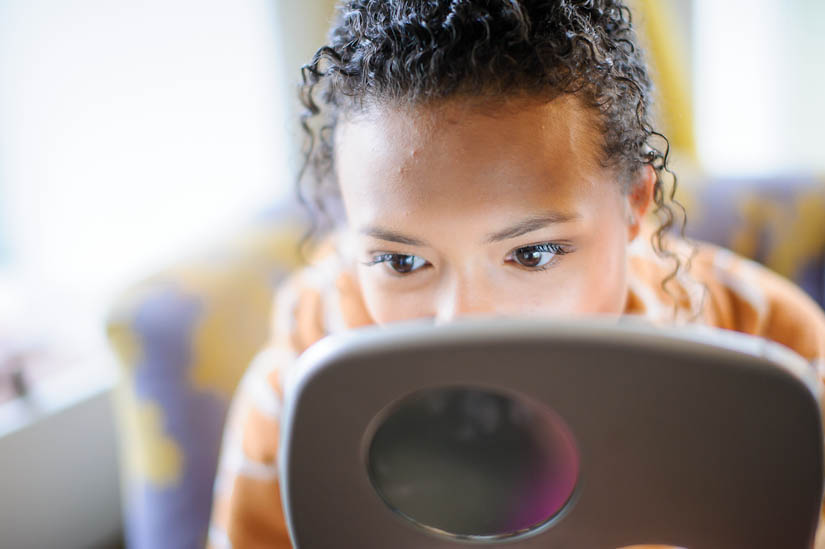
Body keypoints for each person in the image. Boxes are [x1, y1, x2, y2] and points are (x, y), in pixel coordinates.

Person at [206, 1, 825, 547]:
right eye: (402, 262)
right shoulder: (302, 390)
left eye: (531, 254)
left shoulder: (769, 349)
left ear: (635, 204)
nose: (461, 321)